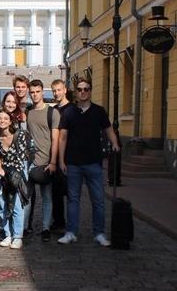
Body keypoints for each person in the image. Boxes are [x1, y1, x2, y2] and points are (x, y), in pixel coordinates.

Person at [58, 78, 120, 246]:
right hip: (72, 163)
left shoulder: (99, 111)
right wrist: (61, 160)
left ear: (90, 91)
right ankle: (71, 232)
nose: (83, 92)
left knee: (98, 200)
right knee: (73, 199)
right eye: (79, 89)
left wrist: (114, 143)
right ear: (75, 92)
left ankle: (99, 233)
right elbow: (62, 137)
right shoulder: (69, 112)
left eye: (86, 89)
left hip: (94, 163)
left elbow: (108, 129)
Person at [24, 79, 60, 242]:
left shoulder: (52, 112)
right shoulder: (28, 111)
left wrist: (53, 162)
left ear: (42, 92)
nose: (35, 94)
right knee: (27, 197)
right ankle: (25, 227)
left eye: (37, 91)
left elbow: (55, 139)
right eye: (32, 92)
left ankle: (46, 227)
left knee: (47, 196)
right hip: (29, 161)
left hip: (46, 161)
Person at [0, 109, 30, 250]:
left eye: (5, 118)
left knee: (17, 206)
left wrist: (7, 172)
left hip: (15, 176)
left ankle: (17, 236)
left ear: (10, 120)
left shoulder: (19, 135)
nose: (2, 121)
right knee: (3, 205)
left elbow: (21, 159)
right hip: (0, 176)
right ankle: (8, 234)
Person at [50, 79, 72, 232]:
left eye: (59, 90)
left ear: (65, 90)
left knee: (71, 193)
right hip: (55, 157)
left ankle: (71, 224)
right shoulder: (53, 110)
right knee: (56, 193)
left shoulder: (73, 109)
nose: (56, 93)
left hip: (70, 157)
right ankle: (59, 222)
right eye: (54, 91)